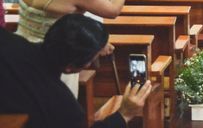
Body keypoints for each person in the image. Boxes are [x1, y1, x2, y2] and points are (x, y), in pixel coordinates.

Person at [0, 14, 152, 127]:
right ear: (71, 67)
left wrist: (97, 43)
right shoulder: (62, 105)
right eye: (91, 60)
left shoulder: (8, 41)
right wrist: (125, 113)